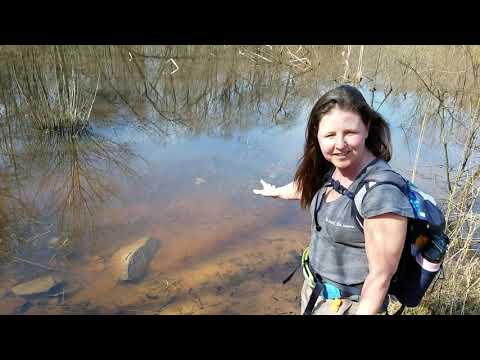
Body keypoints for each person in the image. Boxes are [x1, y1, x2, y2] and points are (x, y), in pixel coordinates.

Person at [252, 85, 414, 315]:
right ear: (317, 135)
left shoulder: (381, 196)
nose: (339, 144)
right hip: (317, 294)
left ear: (367, 127)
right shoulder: (336, 167)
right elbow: (315, 187)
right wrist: (277, 191)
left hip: (350, 306)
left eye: (349, 133)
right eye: (329, 135)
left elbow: (380, 278)